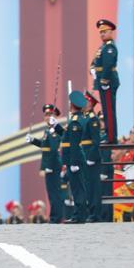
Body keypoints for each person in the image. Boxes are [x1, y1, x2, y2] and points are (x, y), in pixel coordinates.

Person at [25, 103, 65, 223]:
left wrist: (47, 167)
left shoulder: (54, 130)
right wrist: (32, 140)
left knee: (55, 194)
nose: (47, 117)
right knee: (52, 194)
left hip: (52, 165)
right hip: (50, 165)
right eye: (46, 115)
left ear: (55, 116)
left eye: (50, 114)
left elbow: (52, 150)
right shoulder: (48, 130)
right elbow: (44, 146)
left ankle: (56, 218)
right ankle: (54, 217)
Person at [60, 91, 90, 224]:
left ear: (72, 104)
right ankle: (79, 214)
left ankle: (79, 215)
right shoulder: (76, 120)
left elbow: (73, 143)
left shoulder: (76, 122)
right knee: (77, 188)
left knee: (78, 189)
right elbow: (66, 137)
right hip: (74, 158)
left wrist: (73, 162)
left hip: (75, 159)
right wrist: (56, 126)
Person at [91, 19, 119, 143]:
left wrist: (104, 80)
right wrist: (92, 68)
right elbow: (95, 62)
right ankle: (108, 134)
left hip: (107, 82)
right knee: (106, 110)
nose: (102, 34)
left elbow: (108, 64)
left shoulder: (109, 47)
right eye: (100, 32)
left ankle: (111, 137)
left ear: (110, 32)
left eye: (105, 31)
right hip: (102, 81)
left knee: (109, 110)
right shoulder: (102, 47)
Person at [81, 91, 104, 223]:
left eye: (86, 101)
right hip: (85, 154)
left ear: (91, 104)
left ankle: (95, 213)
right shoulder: (84, 118)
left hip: (92, 156)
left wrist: (90, 157)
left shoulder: (93, 119)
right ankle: (90, 211)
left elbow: (96, 141)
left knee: (94, 186)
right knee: (88, 185)